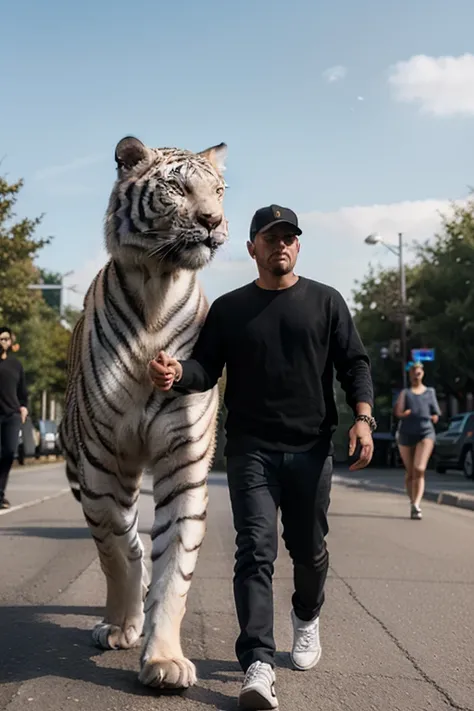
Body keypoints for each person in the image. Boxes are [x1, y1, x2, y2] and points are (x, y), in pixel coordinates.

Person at [148, 204, 375, 710]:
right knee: (254, 550)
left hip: (312, 449)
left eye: (289, 237)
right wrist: (175, 374)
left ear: (298, 245)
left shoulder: (326, 302)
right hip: (250, 449)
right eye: (270, 238)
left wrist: (363, 418)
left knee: (309, 551)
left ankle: (306, 615)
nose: (281, 245)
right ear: (252, 247)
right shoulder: (230, 309)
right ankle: (258, 663)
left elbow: (354, 363)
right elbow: (205, 369)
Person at [394, 362, 441, 520]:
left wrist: (435, 417)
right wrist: (403, 413)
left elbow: (436, 411)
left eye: (419, 372)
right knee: (410, 473)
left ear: (422, 373)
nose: (416, 375)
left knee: (419, 468)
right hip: (406, 434)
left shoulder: (430, 392)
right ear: (410, 375)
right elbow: (398, 412)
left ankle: (417, 504)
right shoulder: (405, 393)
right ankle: (412, 502)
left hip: (425, 432)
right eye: (414, 372)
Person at [0, 327, 28, 509]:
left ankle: (0, 493)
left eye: (5, 339)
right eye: (0, 338)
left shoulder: (16, 365)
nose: (2, 341)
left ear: (10, 342)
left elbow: (23, 392)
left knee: (9, 453)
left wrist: (24, 407)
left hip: (12, 416)